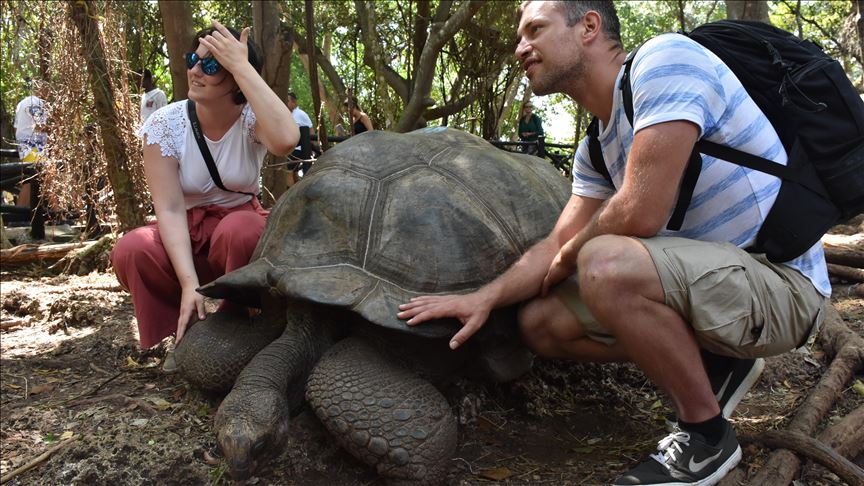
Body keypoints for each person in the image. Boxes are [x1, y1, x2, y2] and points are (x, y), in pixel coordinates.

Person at [397, 2, 828, 486]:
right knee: (542, 323)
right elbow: (554, 245)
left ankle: (706, 437)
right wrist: (483, 298)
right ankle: (716, 360)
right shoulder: (598, 147)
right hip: (717, 288)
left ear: (588, 27)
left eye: (535, 29)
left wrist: (571, 253)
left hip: (783, 287)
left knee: (604, 261)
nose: (521, 47)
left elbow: (640, 210)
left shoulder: (665, 62)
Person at [111, 21, 299, 364]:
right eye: (192, 60)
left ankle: (239, 326)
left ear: (236, 80)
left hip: (238, 234)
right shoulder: (165, 124)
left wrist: (242, 65)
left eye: (211, 66)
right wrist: (187, 284)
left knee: (241, 229)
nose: (195, 71)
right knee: (133, 248)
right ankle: (180, 334)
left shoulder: (251, 120)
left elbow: (287, 140)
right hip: (184, 233)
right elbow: (167, 208)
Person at [13, 82, 48, 206]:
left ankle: (56, 212)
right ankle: (59, 214)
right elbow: (41, 126)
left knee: (34, 179)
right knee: (33, 180)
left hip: (24, 146)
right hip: (34, 146)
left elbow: (16, 128)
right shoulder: (38, 103)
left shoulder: (21, 103)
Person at [286, 91, 313, 160]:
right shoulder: (286, 115)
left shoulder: (301, 114)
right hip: (287, 150)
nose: (285, 103)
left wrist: (312, 149)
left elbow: (311, 131)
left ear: (294, 102)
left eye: (287, 101)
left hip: (298, 150)